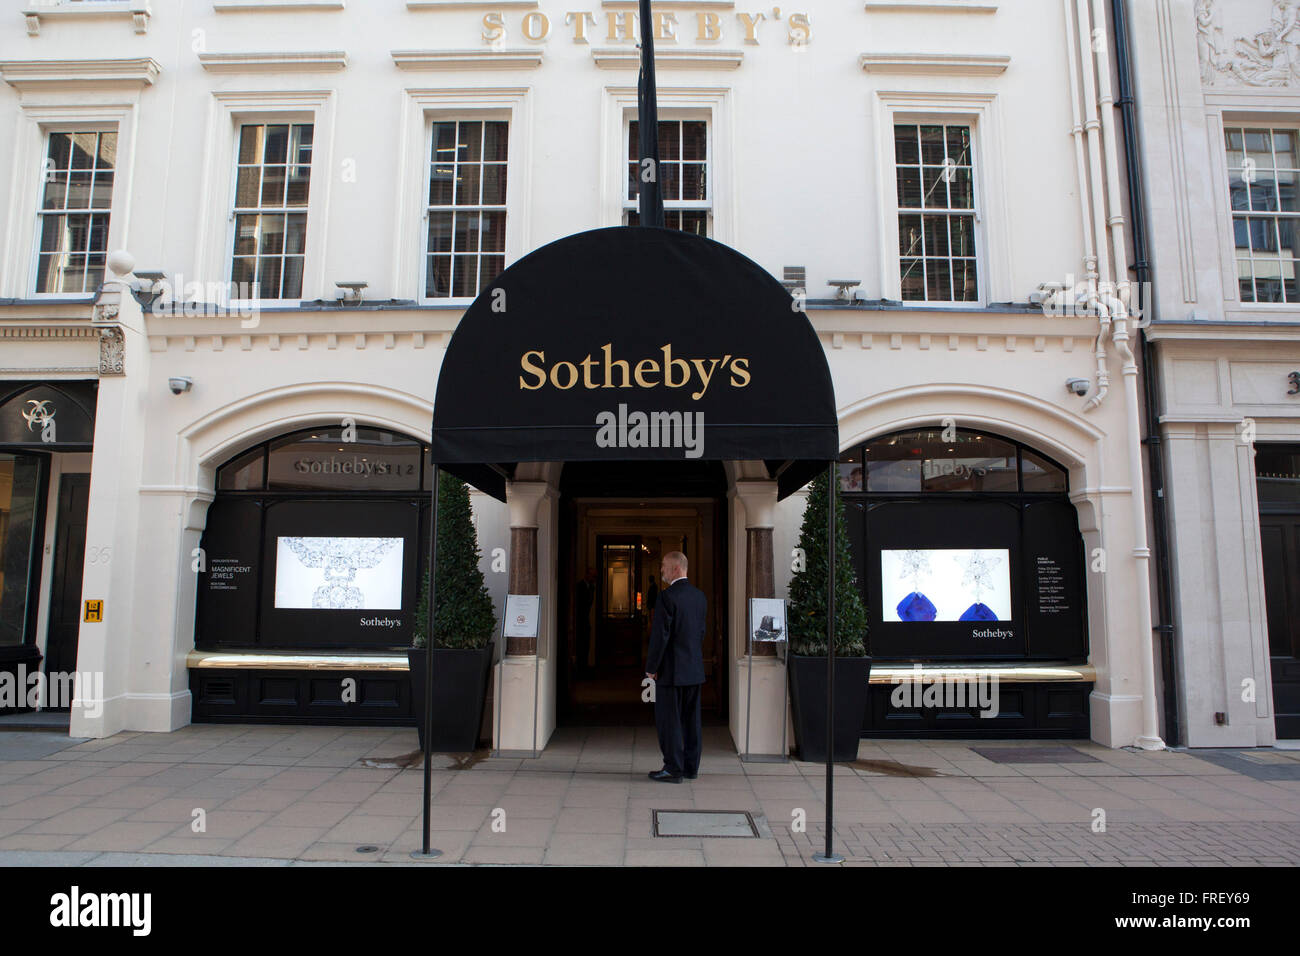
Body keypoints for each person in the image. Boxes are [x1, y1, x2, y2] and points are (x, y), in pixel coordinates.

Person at [645, 551, 706, 782]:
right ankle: (691, 768)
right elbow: (701, 633)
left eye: (663, 566)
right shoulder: (700, 597)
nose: (661, 570)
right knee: (692, 722)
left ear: (675, 569)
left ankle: (673, 768)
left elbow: (660, 636)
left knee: (669, 722)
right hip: (694, 670)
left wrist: (651, 667)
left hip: (671, 672)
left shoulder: (666, 597)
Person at [575, 568, 596, 675]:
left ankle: (584, 667)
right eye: (592, 576)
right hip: (579, 621)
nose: (593, 579)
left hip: (586, 620)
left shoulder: (592, 587)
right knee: (580, 646)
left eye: (594, 577)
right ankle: (580, 669)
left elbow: (590, 602)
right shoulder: (579, 586)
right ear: (586, 575)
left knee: (586, 646)